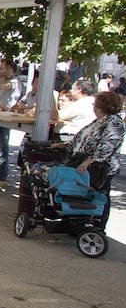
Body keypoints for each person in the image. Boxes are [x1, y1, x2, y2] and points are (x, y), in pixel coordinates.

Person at [61, 90, 124, 220]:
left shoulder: (114, 122)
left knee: (100, 196)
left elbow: (107, 146)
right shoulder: (100, 121)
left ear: (100, 108)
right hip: (87, 163)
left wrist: (87, 162)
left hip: (100, 168)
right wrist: (63, 145)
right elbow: (81, 139)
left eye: (94, 104)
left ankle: (98, 224)